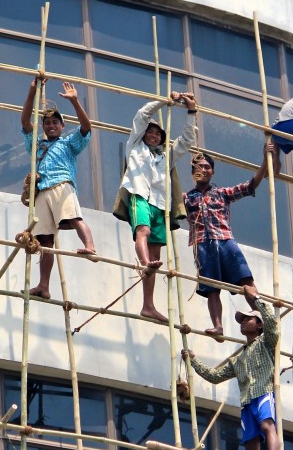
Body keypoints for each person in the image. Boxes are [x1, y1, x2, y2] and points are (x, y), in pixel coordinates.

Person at [182, 284, 280, 450]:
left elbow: (274, 328)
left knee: (268, 424)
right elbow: (215, 376)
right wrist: (193, 361)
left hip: (263, 393)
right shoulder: (239, 358)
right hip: (247, 402)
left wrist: (257, 300)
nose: (243, 322)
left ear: (259, 325)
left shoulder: (266, 343)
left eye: (248, 319)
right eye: (242, 320)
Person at [113, 92, 198, 323]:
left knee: (156, 251)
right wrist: (164, 101)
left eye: (157, 134)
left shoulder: (165, 157)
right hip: (139, 194)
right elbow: (142, 115)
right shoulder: (134, 147)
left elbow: (187, 140)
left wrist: (191, 112)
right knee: (143, 232)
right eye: (150, 132)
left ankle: (148, 305)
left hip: (160, 204)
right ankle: (144, 264)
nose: (152, 135)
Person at [184, 141, 276, 336]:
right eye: (199, 167)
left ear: (213, 172)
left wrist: (264, 161)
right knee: (212, 289)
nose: (204, 170)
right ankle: (218, 326)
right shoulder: (186, 198)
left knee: (246, 282)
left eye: (207, 167)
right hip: (202, 245)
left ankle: (264, 317)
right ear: (193, 172)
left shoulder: (222, 194)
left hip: (225, 241)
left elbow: (250, 186)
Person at [20, 76, 96, 299]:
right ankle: (44, 286)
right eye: (47, 123)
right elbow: (25, 123)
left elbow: (86, 126)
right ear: (43, 127)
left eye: (55, 123)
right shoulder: (38, 145)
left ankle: (90, 245)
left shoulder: (69, 143)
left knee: (74, 218)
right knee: (44, 240)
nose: (51, 125)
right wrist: (31, 93)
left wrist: (74, 101)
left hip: (62, 185)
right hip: (41, 191)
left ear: (62, 126)